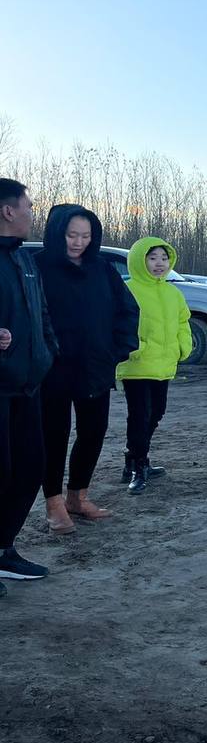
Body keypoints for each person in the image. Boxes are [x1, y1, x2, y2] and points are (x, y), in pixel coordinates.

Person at [36, 204, 139, 534]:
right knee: (54, 436)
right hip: (52, 368)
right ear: (57, 233)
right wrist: (41, 354)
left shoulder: (102, 268)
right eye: (71, 235)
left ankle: (77, 496)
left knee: (93, 432)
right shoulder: (37, 266)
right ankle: (52, 503)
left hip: (95, 364)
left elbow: (127, 311)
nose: (78, 242)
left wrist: (117, 350)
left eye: (85, 235)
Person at [0, 179, 57, 589]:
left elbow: (42, 316)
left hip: (27, 385)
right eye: (29, 206)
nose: (32, 213)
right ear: (8, 210)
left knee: (31, 467)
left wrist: (46, 352)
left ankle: (4, 549)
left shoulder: (24, 260)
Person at [117, 236, 192, 494]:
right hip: (137, 365)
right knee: (140, 416)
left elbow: (183, 321)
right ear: (139, 260)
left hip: (163, 365)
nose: (159, 263)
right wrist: (137, 348)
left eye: (164, 258)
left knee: (157, 412)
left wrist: (184, 345)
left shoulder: (173, 292)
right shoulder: (128, 289)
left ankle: (134, 457)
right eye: (152, 258)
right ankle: (138, 467)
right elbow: (118, 324)